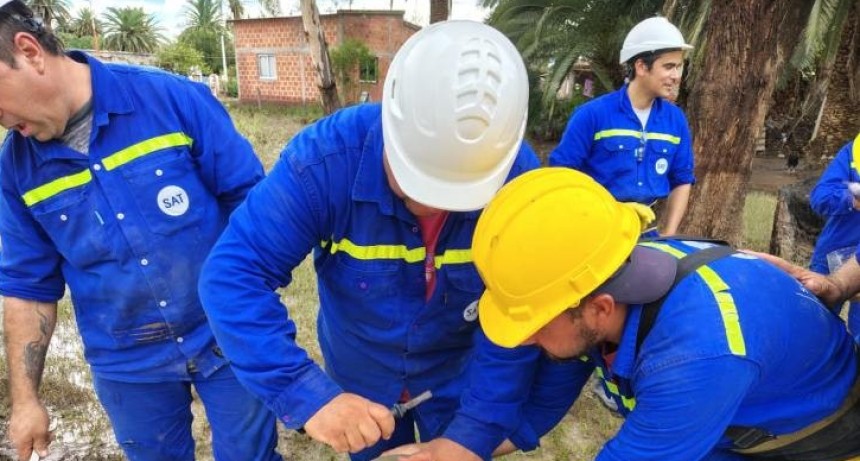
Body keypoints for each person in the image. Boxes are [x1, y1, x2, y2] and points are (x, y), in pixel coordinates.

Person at [198, 20, 577, 461]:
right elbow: (232, 277)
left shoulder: (517, 182)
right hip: (361, 375)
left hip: (457, 376)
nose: (433, 207)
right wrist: (308, 394)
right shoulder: (323, 163)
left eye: (460, 195)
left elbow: (518, 320)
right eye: (416, 182)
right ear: (389, 124)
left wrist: (471, 438)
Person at [0, 1, 280, 460]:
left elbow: (253, 207)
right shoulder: (16, 171)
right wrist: (26, 400)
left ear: (28, 51)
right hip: (128, 362)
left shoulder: (173, 101)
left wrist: (252, 309)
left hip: (227, 336)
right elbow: (28, 289)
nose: (3, 122)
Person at [466, 167, 860, 460]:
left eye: (532, 323)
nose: (522, 338)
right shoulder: (609, 278)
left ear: (600, 308)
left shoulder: (693, 358)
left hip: (812, 438)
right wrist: (461, 447)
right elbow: (541, 406)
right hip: (736, 410)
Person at [548, 16, 695, 236]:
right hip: (594, 234)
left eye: (679, 67)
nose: (676, 76)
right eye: (669, 67)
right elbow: (561, 175)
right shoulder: (592, 115)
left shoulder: (675, 121)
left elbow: (682, 180)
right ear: (641, 66)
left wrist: (669, 234)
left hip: (648, 236)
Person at [808, 133, 860, 341]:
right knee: (814, 329)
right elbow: (820, 197)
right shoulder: (854, 151)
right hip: (833, 256)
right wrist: (851, 200)